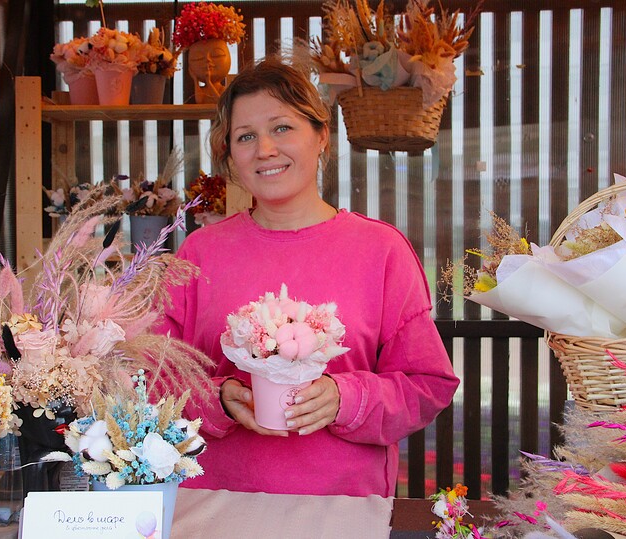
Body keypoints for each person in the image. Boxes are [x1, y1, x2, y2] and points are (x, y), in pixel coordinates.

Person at [158, 58, 459, 498]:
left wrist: (347, 398)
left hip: (345, 505)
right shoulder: (200, 253)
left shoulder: (381, 250)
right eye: (245, 136)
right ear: (230, 156)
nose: (265, 149)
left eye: (282, 128)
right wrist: (216, 398)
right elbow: (151, 380)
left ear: (321, 137)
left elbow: (427, 385)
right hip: (215, 501)